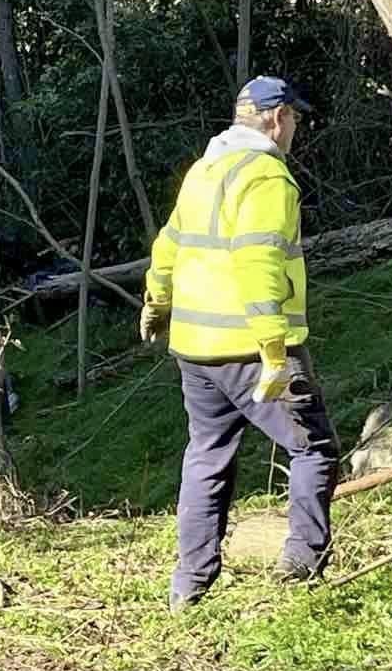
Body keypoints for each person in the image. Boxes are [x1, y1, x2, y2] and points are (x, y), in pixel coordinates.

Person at [141, 75, 341, 612]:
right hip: (250, 349)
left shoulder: (203, 171)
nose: (295, 127)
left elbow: (168, 246)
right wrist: (274, 351)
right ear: (277, 119)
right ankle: (302, 568)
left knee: (207, 455)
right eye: (295, 117)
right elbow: (259, 263)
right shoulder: (267, 177)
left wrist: (157, 304)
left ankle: (189, 584)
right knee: (314, 448)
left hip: (193, 347)